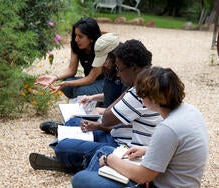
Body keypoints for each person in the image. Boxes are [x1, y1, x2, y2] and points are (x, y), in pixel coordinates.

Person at [29, 40, 163, 173]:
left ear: (133, 68)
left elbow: (106, 118)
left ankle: (78, 163)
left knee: (63, 147)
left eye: (119, 69)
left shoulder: (139, 91)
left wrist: (128, 89)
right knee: (73, 124)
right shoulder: (145, 82)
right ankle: (75, 157)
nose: (118, 74)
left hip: (124, 147)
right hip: (116, 134)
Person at [71, 67, 209, 188]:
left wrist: (110, 160)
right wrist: (148, 150)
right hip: (181, 180)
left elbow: (143, 177)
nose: (139, 98)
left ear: (153, 99)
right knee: (105, 151)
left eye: (141, 94)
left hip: (159, 184)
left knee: (80, 179)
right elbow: (179, 149)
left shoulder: (167, 128)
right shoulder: (190, 111)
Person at [35, 17, 104, 99]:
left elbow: (90, 78)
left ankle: (95, 104)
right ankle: (81, 104)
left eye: (80, 36)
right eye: (75, 35)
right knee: (67, 86)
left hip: (104, 82)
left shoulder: (100, 49)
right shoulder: (76, 45)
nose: (76, 39)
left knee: (80, 90)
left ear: (91, 38)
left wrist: (66, 83)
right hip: (90, 80)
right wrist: (55, 77)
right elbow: (71, 70)